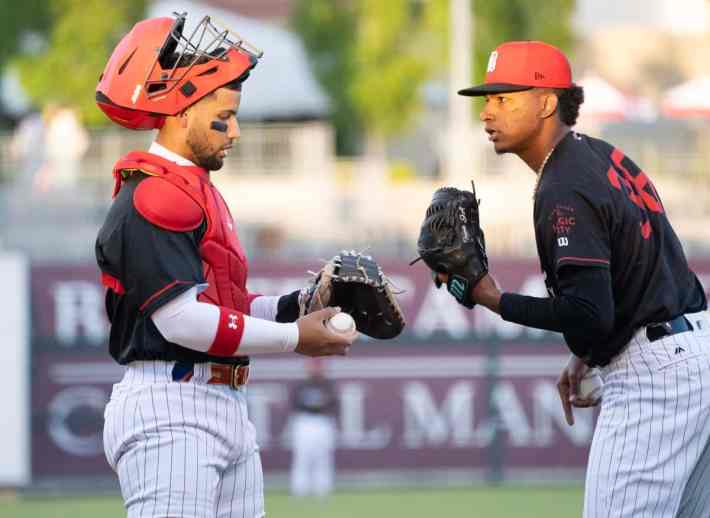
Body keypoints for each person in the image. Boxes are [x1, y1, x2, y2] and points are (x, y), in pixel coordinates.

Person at [94, 14, 357, 518]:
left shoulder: (195, 190)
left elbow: (224, 304)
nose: (235, 130)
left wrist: (298, 305)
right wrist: (296, 338)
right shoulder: (154, 192)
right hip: (170, 407)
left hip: (221, 401)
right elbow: (181, 320)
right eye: (223, 116)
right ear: (181, 110)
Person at [440, 41, 710, 517]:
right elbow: (647, 272)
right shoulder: (601, 156)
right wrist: (585, 353)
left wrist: (494, 298)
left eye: (505, 98)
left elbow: (588, 314)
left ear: (546, 102)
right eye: (487, 99)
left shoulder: (563, 183)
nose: (488, 112)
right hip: (693, 350)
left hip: (656, 378)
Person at [289, 358, 338, 498]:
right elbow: (295, 404)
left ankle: (323, 490)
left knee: (323, 457)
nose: (316, 369)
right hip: (304, 422)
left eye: (319, 366)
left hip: (323, 422)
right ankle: (299, 490)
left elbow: (333, 404)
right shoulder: (301, 385)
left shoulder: (328, 385)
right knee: (302, 457)